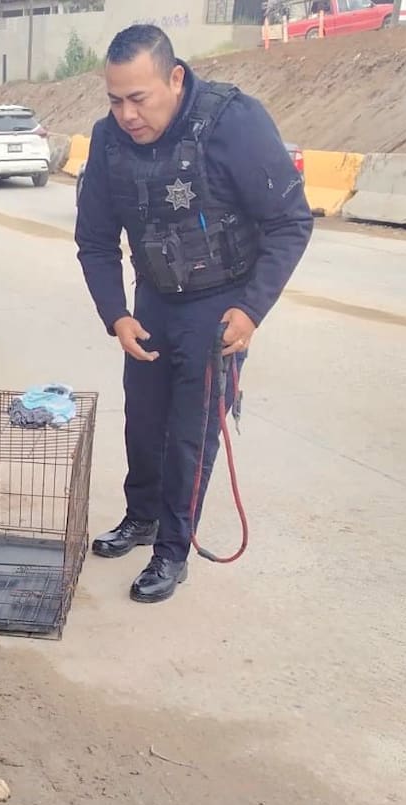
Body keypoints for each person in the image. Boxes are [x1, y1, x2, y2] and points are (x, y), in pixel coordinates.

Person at [74, 24, 313, 603]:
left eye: (139, 98)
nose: (126, 114)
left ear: (175, 78)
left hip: (219, 307)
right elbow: (96, 241)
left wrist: (251, 310)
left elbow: (290, 222)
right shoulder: (108, 143)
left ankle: (173, 549)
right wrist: (117, 314)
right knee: (143, 421)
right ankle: (143, 516)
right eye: (114, 99)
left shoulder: (233, 122)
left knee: (190, 434)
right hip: (153, 300)